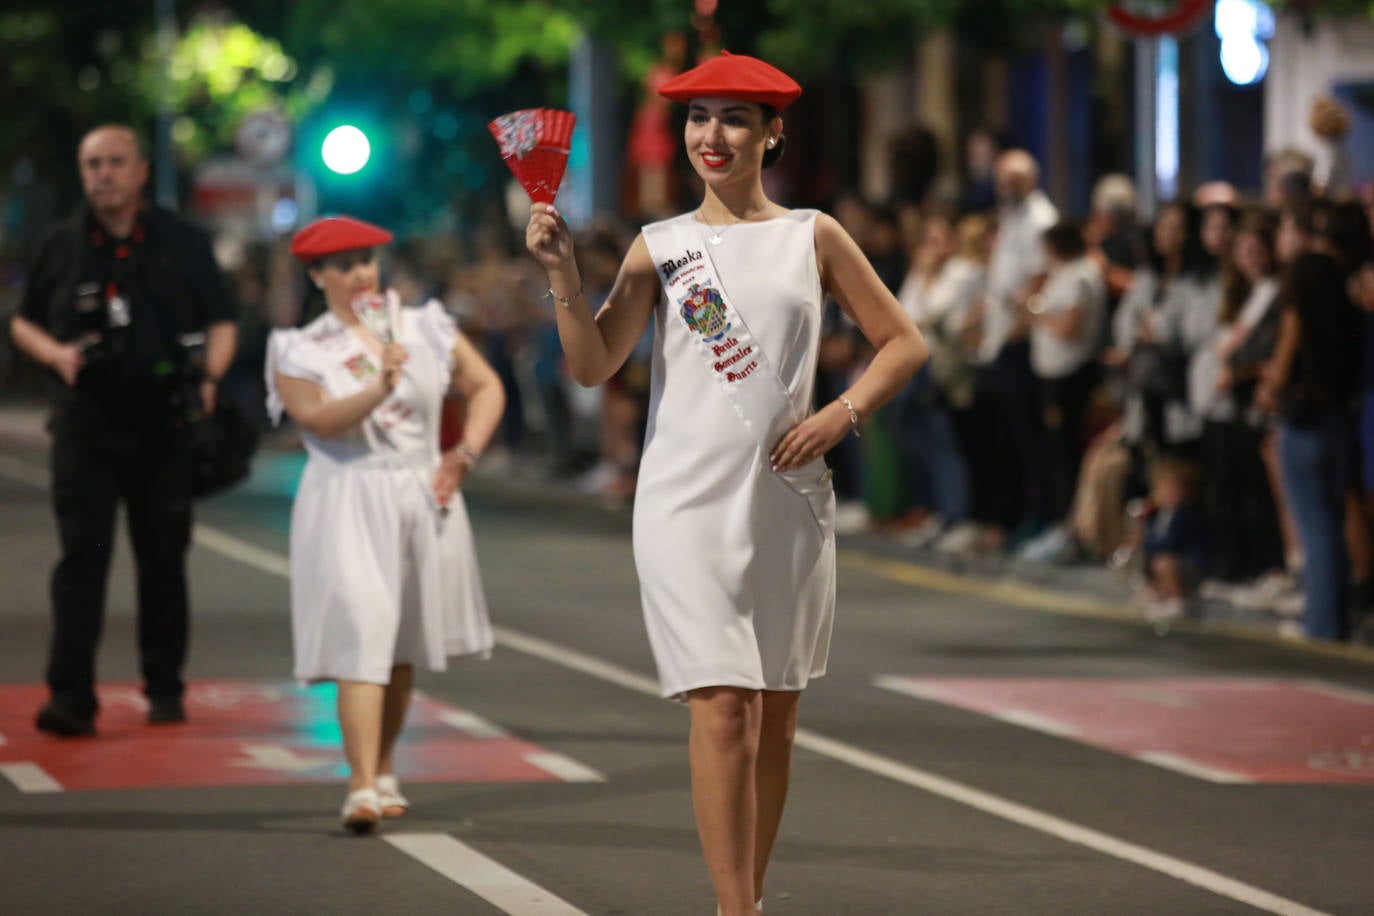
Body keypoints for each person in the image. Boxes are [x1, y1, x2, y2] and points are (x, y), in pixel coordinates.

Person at [525, 52, 926, 915]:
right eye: (699, 116)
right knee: (722, 709)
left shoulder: (811, 235)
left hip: (784, 499)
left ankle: (744, 894)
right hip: (684, 504)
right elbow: (594, 366)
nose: (712, 134)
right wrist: (563, 277)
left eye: (734, 118)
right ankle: (734, 909)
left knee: (774, 716)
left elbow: (905, 343)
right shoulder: (661, 249)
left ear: (771, 132)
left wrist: (840, 415)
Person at [266, 216, 505, 832]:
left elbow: (486, 387)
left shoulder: (424, 325)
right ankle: (362, 786)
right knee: (362, 634)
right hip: (346, 495)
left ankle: (386, 766)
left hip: (420, 491)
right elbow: (314, 419)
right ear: (317, 275)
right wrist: (381, 386)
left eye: (366, 261)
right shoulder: (299, 348)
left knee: (400, 648)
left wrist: (463, 454)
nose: (359, 275)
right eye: (342, 266)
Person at [10, 124, 237, 736]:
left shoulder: (182, 242)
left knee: (164, 561)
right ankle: (70, 697)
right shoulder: (63, 244)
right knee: (81, 564)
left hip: (162, 425)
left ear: (140, 171)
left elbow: (222, 318)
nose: (103, 174)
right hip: (85, 427)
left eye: (114, 162)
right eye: (92, 165)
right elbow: (22, 323)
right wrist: (56, 355)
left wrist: (209, 378)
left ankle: (165, 687)